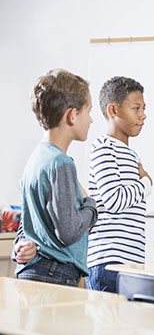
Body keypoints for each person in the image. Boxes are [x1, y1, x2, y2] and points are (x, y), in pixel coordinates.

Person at [14, 69, 98, 286]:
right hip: (54, 273)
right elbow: (68, 232)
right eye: (88, 111)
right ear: (72, 115)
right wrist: (91, 206)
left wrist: (20, 247)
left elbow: (27, 225)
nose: (91, 120)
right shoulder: (61, 164)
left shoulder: (36, 159)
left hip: (33, 270)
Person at [86, 76, 152, 292]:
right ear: (113, 110)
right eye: (136, 108)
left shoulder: (130, 154)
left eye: (143, 108)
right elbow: (114, 200)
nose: (143, 115)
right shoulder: (104, 148)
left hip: (130, 264)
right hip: (108, 263)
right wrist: (146, 184)